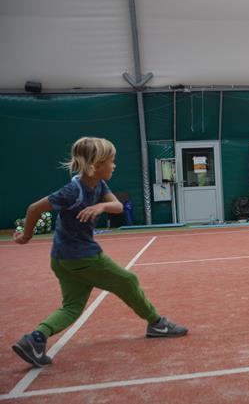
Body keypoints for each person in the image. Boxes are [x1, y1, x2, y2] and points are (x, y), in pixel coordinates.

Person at [12, 137, 187, 368]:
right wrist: (26, 236)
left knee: (72, 307)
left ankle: (35, 339)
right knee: (128, 280)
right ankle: (157, 324)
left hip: (62, 259)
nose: (114, 165)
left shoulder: (100, 185)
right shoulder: (71, 191)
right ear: (96, 165)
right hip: (83, 257)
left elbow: (117, 206)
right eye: (111, 161)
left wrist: (101, 206)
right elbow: (34, 208)